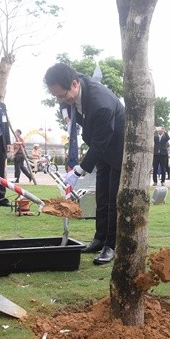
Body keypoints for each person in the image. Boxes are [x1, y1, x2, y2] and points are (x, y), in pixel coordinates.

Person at [45, 62, 125, 265]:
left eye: (62, 96)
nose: (61, 100)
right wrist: (66, 114)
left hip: (117, 148)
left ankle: (111, 245)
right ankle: (99, 239)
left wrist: (78, 170)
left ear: (74, 84)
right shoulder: (72, 83)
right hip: (100, 145)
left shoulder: (101, 104)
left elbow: (100, 144)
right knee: (102, 195)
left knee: (113, 197)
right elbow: (64, 100)